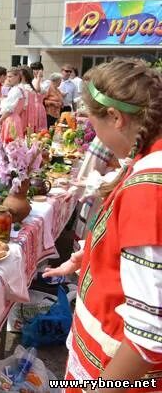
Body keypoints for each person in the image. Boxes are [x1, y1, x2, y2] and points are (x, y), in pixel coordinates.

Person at [44, 58, 162, 390]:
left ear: (115, 117)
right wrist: (96, 256)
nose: (95, 134)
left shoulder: (148, 190)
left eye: (94, 123)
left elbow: (148, 337)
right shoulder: (146, 164)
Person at [0, 67, 25, 143]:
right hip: (16, 119)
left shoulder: (16, 90)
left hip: (11, 120)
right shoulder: (20, 88)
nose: (8, 79)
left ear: (17, 77)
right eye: (7, 77)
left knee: (10, 145)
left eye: (10, 76)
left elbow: (9, 109)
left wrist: (1, 119)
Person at [19, 67, 47, 134]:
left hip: (27, 112)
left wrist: (38, 78)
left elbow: (38, 90)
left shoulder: (25, 87)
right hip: (28, 111)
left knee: (27, 130)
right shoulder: (24, 87)